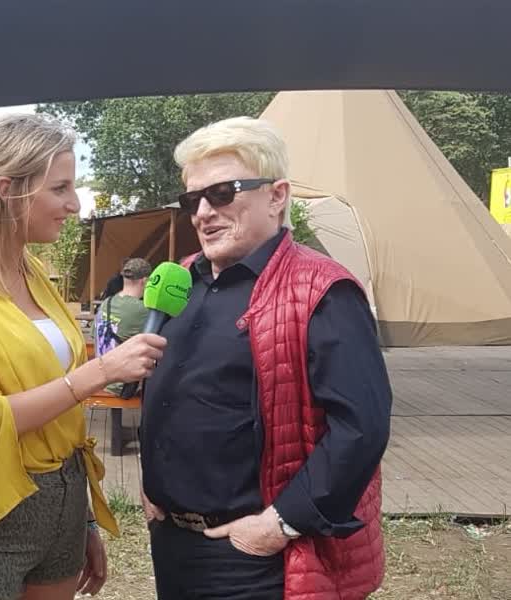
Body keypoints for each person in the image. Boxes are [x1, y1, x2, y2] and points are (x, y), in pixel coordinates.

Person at [0, 113, 166, 600]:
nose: (75, 204)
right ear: (8, 190)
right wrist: (102, 371)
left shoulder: (34, 271)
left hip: (66, 493)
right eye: (60, 187)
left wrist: (82, 517)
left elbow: (60, 404)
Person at [140, 116, 392, 599]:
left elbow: (361, 427)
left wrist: (280, 524)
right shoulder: (181, 278)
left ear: (277, 196)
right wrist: (153, 489)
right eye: (192, 200)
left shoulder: (323, 290)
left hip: (256, 557)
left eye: (222, 193)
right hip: (172, 542)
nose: (203, 213)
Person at [94, 257, 152, 395]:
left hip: (101, 378)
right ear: (145, 281)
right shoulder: (142, 310)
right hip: (123, 386)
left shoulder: (106, 303)